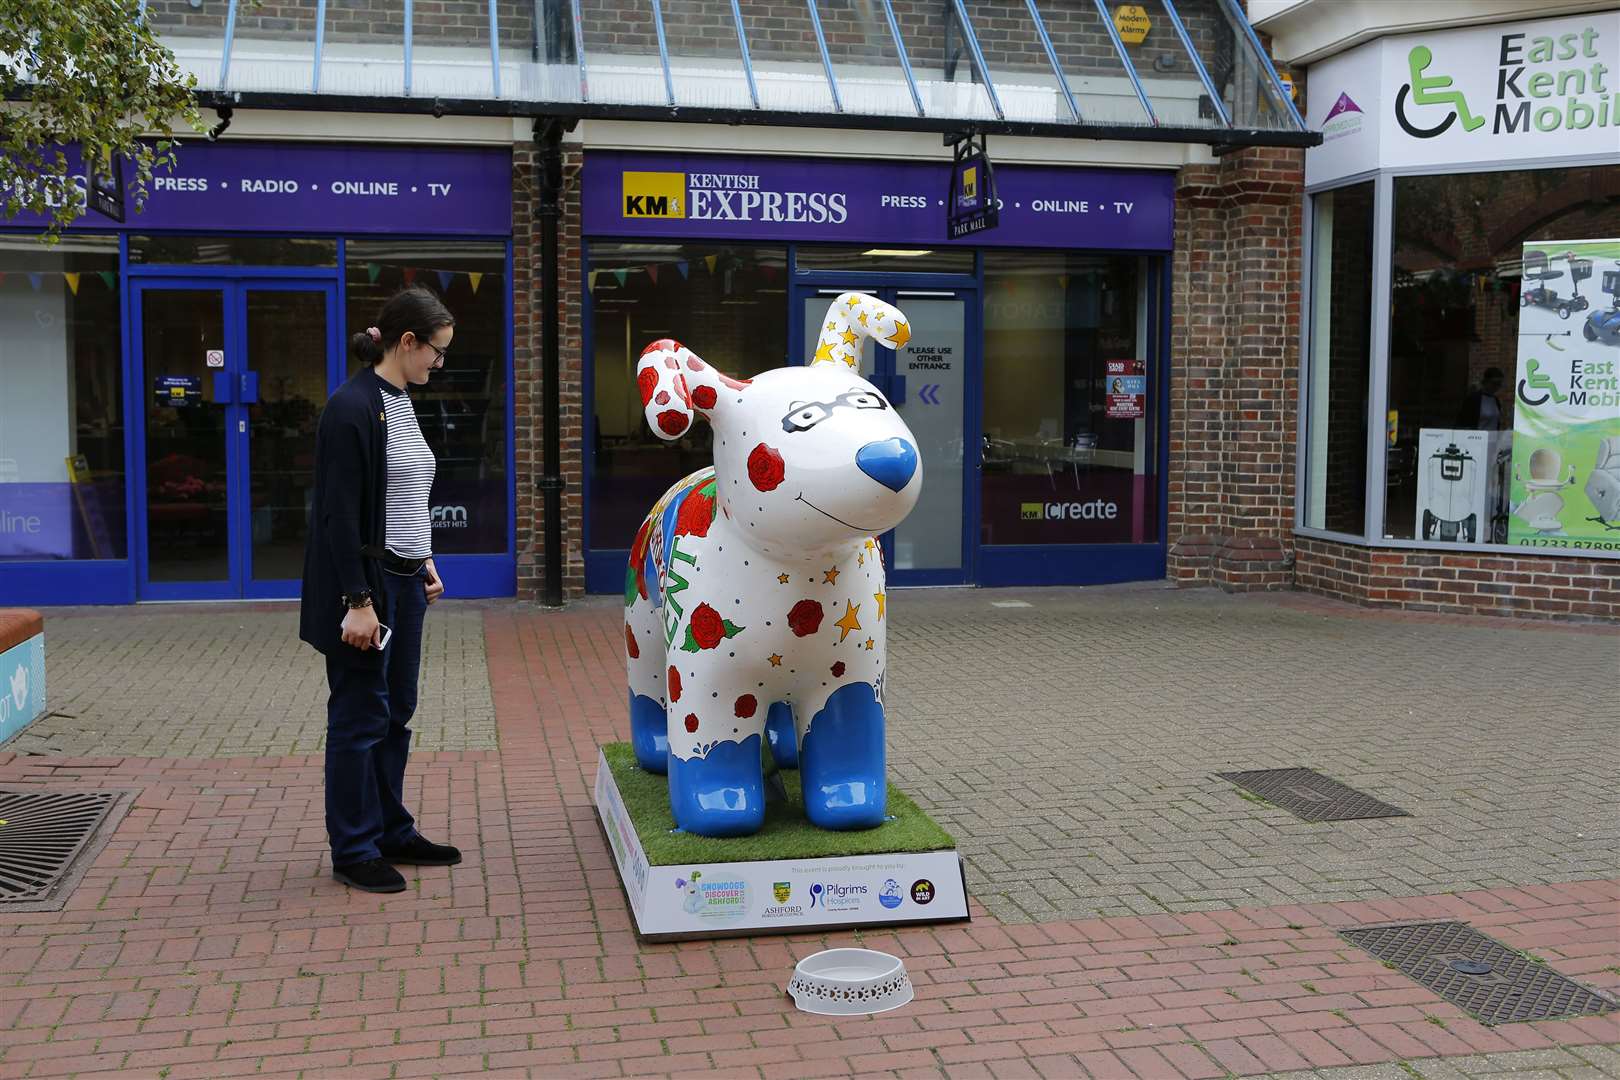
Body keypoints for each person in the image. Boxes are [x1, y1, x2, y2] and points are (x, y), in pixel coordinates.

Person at [299, 286, 459, 894]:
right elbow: (339, 515)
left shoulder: (399, 401)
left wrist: (424, 562)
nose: (438, 365)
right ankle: (354, 848)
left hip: (404, 582)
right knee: (360, 716)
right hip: (366, 591)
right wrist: (357, 602)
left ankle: (391, 829)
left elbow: (399, 499)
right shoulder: (352, 407)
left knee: (396, 713)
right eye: (436, 353)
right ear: (407, 342)